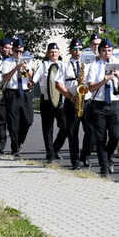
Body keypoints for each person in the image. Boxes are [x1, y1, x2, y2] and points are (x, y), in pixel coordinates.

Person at [84, 38, 119, 177]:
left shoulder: (118, 64)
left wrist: (118, 77)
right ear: (99, 51)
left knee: (115, 135)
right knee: (100, 137)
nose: (106, 53)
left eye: (109, 51)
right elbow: (90, 87)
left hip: (114, 104)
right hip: (98, 105)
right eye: (104, 50)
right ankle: (104, 167)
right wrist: (104, 80)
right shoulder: (95, 66)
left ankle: (107, 159)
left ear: (112, 51)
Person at [52, 40, 85, 170]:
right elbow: (58, 84)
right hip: (71, 101)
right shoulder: (65, 66)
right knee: (72, 132)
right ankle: (75, 161)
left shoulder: (87, 64)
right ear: (70, 51)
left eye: (80, 49)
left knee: (91, 130)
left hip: (86, 101)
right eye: (75, 49)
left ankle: (85, 155)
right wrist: (71, 97)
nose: (78, 51)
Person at [31, 43, 66, 163]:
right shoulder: (43, 66)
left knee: (65, 127)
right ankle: (50, 154)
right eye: (51, 52)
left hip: (61, 100)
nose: (54, 54)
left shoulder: (64, 65)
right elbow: (34, 80)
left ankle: (56, 148)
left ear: (59, 53)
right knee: (47, 128)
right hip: (46, 100)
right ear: (47, 53)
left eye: (56, 51)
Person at [0, 37, 34, 158]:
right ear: (12, 51)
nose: (19, 54)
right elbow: (5, 78)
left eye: (21, 52)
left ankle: (19, 141)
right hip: (12, 93)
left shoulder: (27, 61)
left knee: (28, 120)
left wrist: (26, 68)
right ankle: (15, 148)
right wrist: (16, 68)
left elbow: (32, 78)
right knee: (13, 122)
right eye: (16, 51)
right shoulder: (7, 62)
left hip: (24, 92)